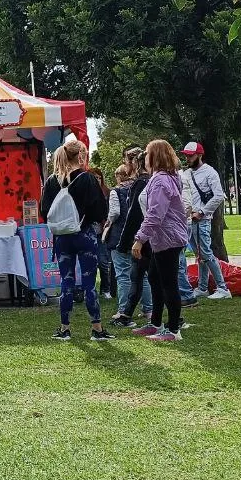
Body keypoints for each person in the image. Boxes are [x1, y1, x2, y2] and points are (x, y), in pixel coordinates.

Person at [40, 139, 114, 343]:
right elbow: (100, 210)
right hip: (85, 235)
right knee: (89, 282)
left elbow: (44, 211)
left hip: (62, 237)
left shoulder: (52, 181)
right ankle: (96, 328)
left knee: (66, 281)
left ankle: (65, 328)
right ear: (80, 155)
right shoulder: (87, 179)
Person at [127, 140, 191, 342]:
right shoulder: (165, 178)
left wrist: (139, 239)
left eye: (146, 153)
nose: (144, 157)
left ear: (154, 156)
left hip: (167, 238)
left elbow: (156, 214)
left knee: (168, 283)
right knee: (155, 277)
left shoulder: (161, 181)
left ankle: (173, 330)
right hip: (163, 238)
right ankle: (156, 323)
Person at [180, 142, 231, 299]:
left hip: (202, 219)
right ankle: (202, 288)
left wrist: (202, 212)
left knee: (206, 254)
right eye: (186, 155)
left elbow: (218, 196)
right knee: (200, 255)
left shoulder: (210, 172)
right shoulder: (186, 173)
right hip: (192, 219)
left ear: (199, 155)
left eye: (190, 155)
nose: (187, 158)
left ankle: (223, 288)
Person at [105, 163, 152, 323]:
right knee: (141, 275)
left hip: (120, 236)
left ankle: (123, 309)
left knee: (123, 274)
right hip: (137, 236)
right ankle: (148, 309)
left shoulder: (115, 192)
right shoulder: (141, 187)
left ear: (119, 176)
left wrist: (108, 223)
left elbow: (115, 212)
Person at [89, 167, 116, 299]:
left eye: (99, 177)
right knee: (89, 263)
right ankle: (90, 289)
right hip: (89, 232)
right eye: (94, 177)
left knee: (103, 262)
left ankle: (105, 288)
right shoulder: (85, 194)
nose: (97, 180)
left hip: (102, 232)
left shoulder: (108, 193)